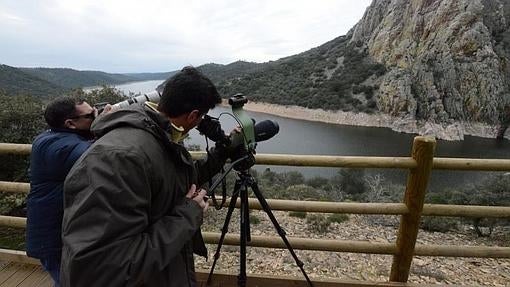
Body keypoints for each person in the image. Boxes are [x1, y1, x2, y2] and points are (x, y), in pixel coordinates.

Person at [61, 66, 230, 287]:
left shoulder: (155, 138)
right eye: (202, 118)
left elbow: (172, 180)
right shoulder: (120, 158)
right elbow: (102, 269)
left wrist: (223, 152)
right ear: (193, 116)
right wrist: (187, 215)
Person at [26, 96, 98, 287]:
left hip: (59, 232)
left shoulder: (53, 137)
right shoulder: (59, 146)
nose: (95, 115)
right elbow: (100, 156)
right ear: (70, 123)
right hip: (54, 238)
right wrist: (106, 124)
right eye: (91, 115)